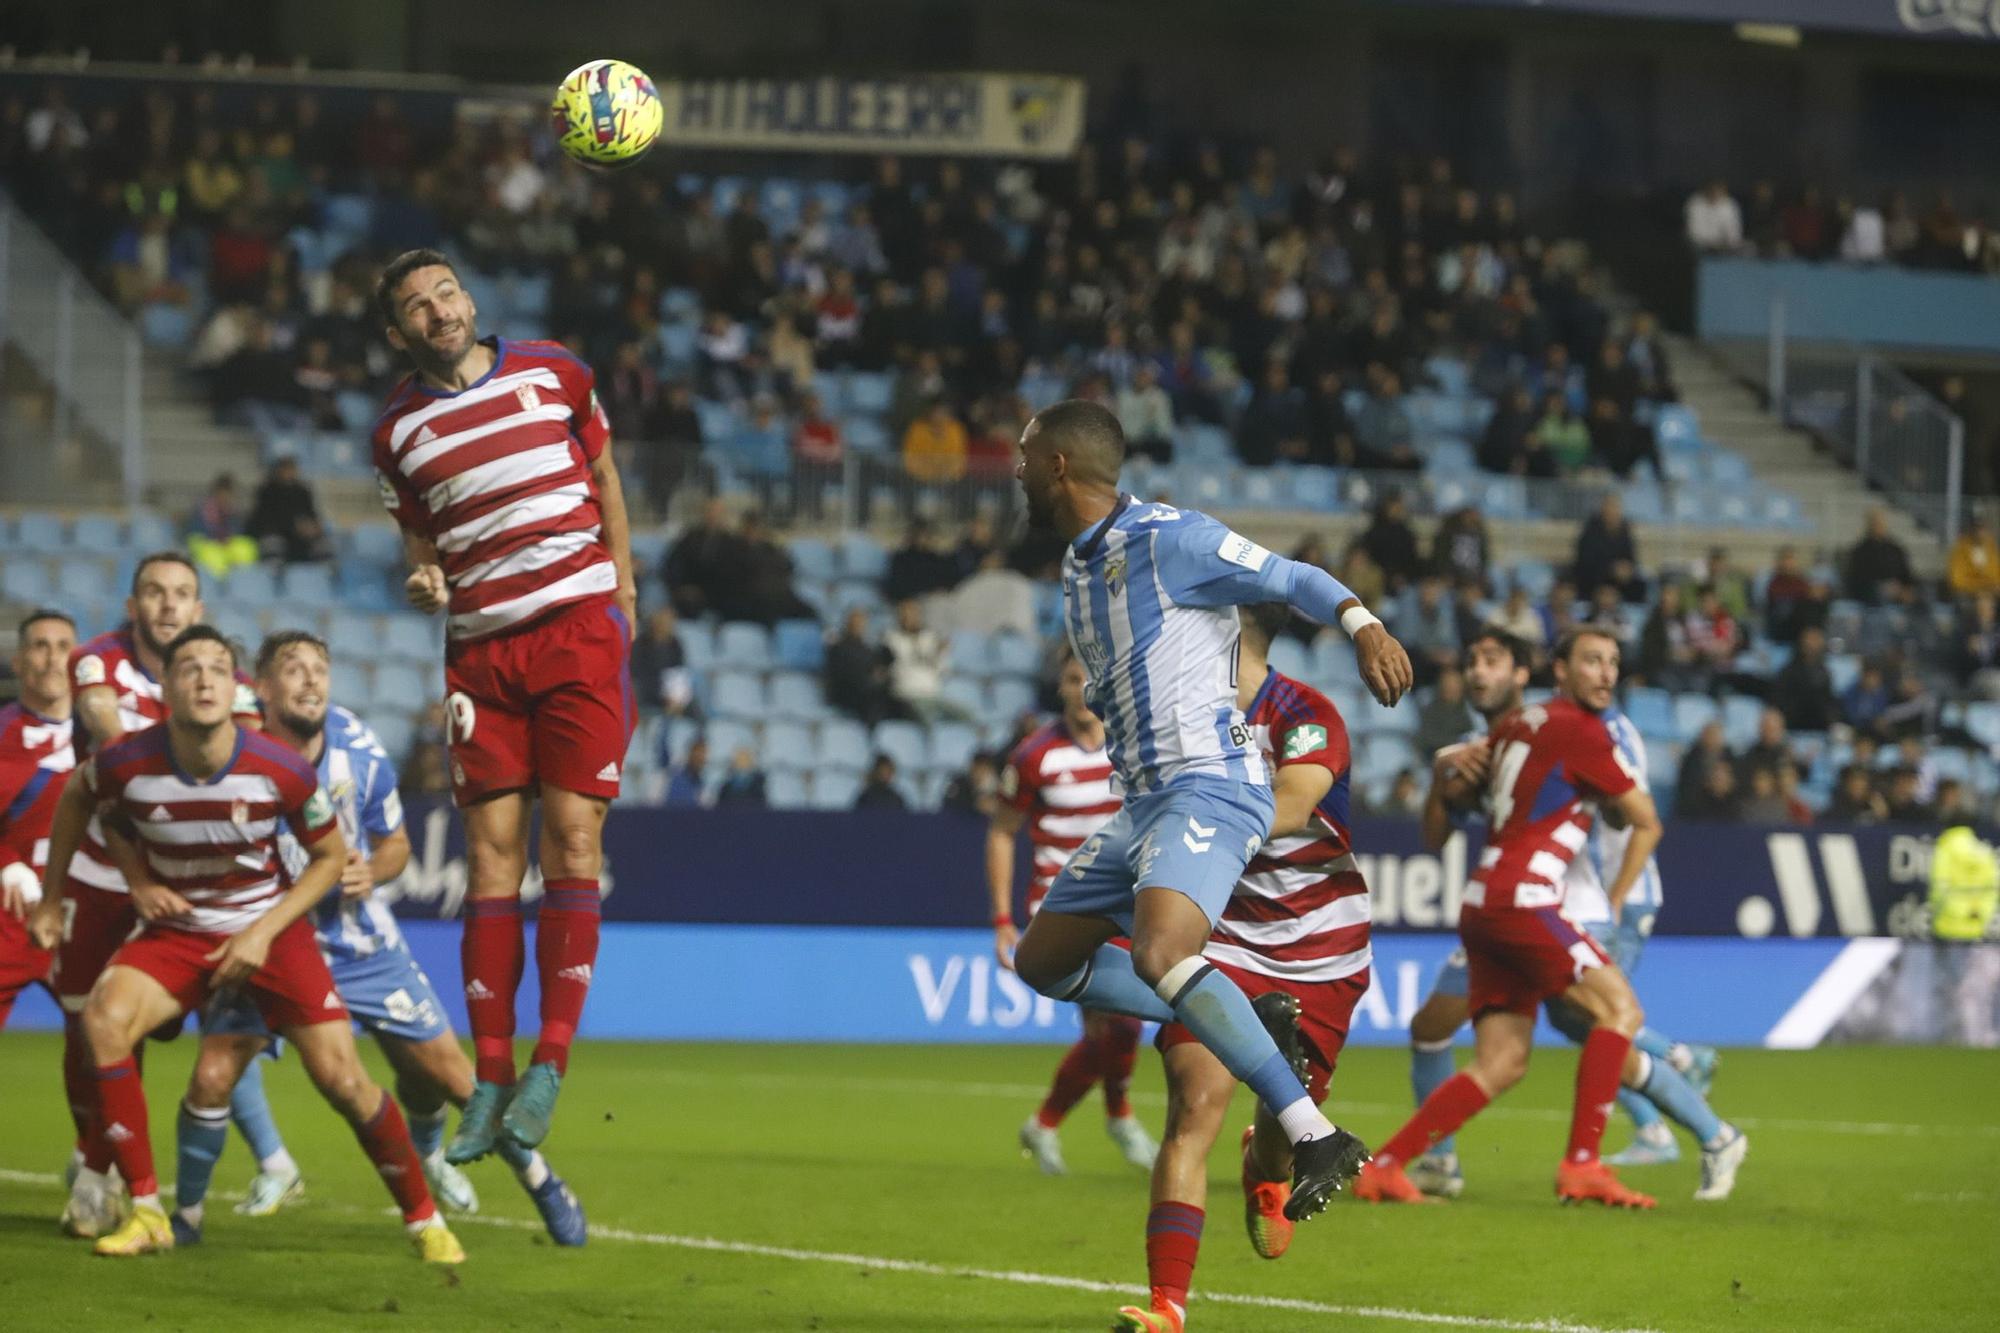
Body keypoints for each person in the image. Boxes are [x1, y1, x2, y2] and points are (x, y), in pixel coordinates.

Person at [1009, 399, 1412, 1230]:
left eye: (1023, 453)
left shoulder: (1171, 538)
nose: (1013, 466)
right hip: (1143, 800)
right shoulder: (1080, 566)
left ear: (1057, 465)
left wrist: (1361, 622)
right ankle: (1238, 1005)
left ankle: (1315, 1131)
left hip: (1208, 783)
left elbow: (1291, 576)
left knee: (1161, 950)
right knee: (1042, 961)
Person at [28, 627, 464, 1263]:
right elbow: (76, 798)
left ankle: (424, 1220)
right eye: (189, 669)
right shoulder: (129, 762)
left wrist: (261, 932)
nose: (205, 679)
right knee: (102, 1020)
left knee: (341, 1078)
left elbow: (329, 858)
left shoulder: (278, 767)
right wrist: (77, 892)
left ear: (237, 689)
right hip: (178, 934)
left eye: (218, 669)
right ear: (166, 690)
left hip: (269, 931)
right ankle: (148, 1211)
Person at [171, 631, 586, 1247]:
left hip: (358, 947)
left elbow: (394, 847)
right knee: (210, 1076)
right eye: (293, 669)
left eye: (320, 668)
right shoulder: (229, 744)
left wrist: (373, 870)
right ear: (259, 686)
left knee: (450, 1077)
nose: (311, 680)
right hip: (270, 945)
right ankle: (185, 1219)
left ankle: (541, 1180)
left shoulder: (359, 752)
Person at [371, 248, 637, 1163]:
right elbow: (419, 542)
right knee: (490, 861)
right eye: (417, 305)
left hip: (575, 632)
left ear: (469, 298)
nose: (439, 310)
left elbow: (604, 480)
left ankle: (548, 1066)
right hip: (481, 655)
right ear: (398, 333)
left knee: (571, 840)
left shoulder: (554, 370)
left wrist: (626, 599)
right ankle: (489, 1077)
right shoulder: (398, 433)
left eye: (446, 291)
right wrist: (421, 576)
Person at [1393, 629, 1736, 1199]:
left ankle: (1686, 1111)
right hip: (1516, 907)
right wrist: (1443, 781)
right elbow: (1441, 833)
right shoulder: (1501, 738)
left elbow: (1632, 815)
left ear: (1527, 673)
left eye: (1493, 661)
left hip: (1563, 905)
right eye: (1474, 661)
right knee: (1523, 1034)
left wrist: (1621, 894)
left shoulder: (1582, 727)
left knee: (1598, 1024)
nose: (1478, 672)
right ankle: (1434, 1161)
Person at [1113, 603, 1373, 1333]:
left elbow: (1293, 804)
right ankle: (1167, 1305)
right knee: (1193, 1104)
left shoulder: (1305, 711)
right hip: (1217, 930)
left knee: (1285, 1131)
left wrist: (1196, 814)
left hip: (1318, 945)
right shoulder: (1176, 716)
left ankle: (1266, 1165)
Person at [54, 552, 267, 1237]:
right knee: (90, 1028)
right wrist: (145, 770)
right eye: (154, 592)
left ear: (198, 609)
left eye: (181, 594)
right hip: (100, 878)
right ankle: (98, 1172)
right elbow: (98, 716)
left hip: (188, 892)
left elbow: (254, 746)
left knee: (172, 1033)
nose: (168, 605)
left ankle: (251, 1166)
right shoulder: (98, 659)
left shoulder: (218, 672)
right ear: (133, 604)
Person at [993, 657, 1156, 1178]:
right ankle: (1114, 1116)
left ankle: (1055, 1123)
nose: (1081, 688)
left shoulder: (1131, 747)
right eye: (1069, 679)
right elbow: (1001, 832)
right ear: (1059, 689)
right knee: (1123, 1021)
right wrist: (1002, 919)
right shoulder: (1034, 755)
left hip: (1125, 904)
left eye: (1089, 677)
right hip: (1060, 909)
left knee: (1115, 1030)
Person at [0, 610, 76, 1032]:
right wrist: (7, 863)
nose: (51, 659)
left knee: (103, 1047)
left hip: (81, 914)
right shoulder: (3, 734)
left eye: (63, 647)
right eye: (39, 646)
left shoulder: (105, 735)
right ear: (18, 661)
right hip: (8, 913)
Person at [244, 456, 335, 566]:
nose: (289, 473)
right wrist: (294, 526)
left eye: (292, 469)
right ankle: (275, 578)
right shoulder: (267, 491)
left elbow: (312, 514)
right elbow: (264, 519)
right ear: (279, 471)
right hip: (276, 533)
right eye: (286, 469)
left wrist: (313, 527)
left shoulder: (302, 491)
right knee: (272, 543)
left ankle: (325, 578)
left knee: (324, 544)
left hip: (302, 538)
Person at [884, 599, 950, 722]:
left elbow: (943, 670)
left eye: (913, 615)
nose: (909, 619)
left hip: (932, 694)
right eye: (905, 615)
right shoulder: (891, 638)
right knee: (928, 722)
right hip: (907, 695)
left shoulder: (929, 637)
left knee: (965, 717)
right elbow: (898, 666)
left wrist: (940, 654)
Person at [183, 474, 259, 580]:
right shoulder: (202, 510)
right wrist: (215, 540)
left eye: (228, 494)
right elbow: (195, 533)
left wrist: (228, 540)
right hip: (208, 543)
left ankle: (241, 581)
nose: (225, 497)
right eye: (222, 493)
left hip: (226, 545)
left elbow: (238, 532)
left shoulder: (234, 512)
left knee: (246, 548)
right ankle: (219, 586)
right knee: (212, 555)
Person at [1845, 509, 1914, 604]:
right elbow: (1856, 580)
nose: (1879, 526)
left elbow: (1907, 574)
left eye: (1881, 523)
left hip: (1898, 595)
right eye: (1875, 523)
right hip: (1871, 597)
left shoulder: (1896, 549)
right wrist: (1881, 588)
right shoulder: (1860, 551)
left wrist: (1905, 589)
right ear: (1869, 525)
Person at [1947, 515, 2000, 600]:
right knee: (1984, 598)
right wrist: (1981, 585)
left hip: (1990, 587)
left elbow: (1996, 573)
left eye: (1983, 529)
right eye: (1977, 529)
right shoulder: (1960, 549)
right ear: (1971, 530)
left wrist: (1993, 585)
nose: (1980, 532)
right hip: (1969, 589)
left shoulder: (1991, 548)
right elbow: (1957, 580)